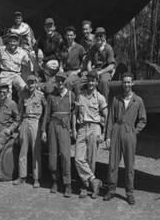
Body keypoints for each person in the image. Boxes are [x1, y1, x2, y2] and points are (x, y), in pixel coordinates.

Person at [103, 73, 147, 205]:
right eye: (124, 82)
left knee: (129, 165)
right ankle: (111, 190)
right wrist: (108, 136)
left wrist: (135, 131)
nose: (127, 84)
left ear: (132, 83)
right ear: (122, 84)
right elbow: (110, 118)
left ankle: (129, 193)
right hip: (116, 130)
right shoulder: (116, 99)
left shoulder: (138, 100)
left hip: (129, 133)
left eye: (129, 82)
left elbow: (143, 119)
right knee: (113, 163)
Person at [73, 71, 108, 199]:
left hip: (94, 127)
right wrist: (74, 128)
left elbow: (106, 115)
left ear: (97, 82)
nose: (91, 83)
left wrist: (104, 133)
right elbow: (74, 114)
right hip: (82, 128)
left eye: (94, 80)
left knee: (91, 159)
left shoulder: (100, 97)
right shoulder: (80, 95)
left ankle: (86, 187)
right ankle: (94, 180)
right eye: (89, 80)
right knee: (78, 158)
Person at [43, 72, 75, 197]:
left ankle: (67, 184)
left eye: (62, 80)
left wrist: (73, 129)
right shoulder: (51, 96)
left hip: (65, 127)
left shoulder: (71, 95)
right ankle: (55, 181)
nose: (60, 83)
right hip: (52, 126)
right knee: (52, 155)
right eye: (58, 80)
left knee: (66, 156)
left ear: (65, 81)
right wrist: (44, 131)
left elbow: (75, 113)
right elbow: (46, 114)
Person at [15, 75, 46, 188]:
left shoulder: (41, 96)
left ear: (36, 84)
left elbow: (46, 110)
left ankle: (36, 178)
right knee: (23, 150)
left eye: (33, 83)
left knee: (35, 151)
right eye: (29, 83)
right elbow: (20, 110)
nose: (31, 85)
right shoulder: (23, 95)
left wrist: (43, 128)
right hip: (25, 121)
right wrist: (19, 125)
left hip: (35, 122)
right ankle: (22, 176)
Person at [86, 27, 116, 100]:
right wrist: (91, 73)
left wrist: (100, 72)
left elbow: (111, 66)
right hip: (94, 71)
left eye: (101, 36)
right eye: (97, 36)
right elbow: (89, 63)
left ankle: (105, 106)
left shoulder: (108, 48)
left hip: (105, 71)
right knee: (81, 81)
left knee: (104, 82)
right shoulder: (93, 48)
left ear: (104, 37)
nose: (99, 38)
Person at [61, 25, 86, 90]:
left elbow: (85, 61)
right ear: (65, 36)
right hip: (64, 72)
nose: (69, 37)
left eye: (71, 35)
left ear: (75, 36)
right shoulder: (63, 48)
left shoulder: (79, 48)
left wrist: (78, 71)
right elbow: (61, 60)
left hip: (74, 73)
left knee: (67, 82)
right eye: (68, 35)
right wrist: (60, 68)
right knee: (51, 84)